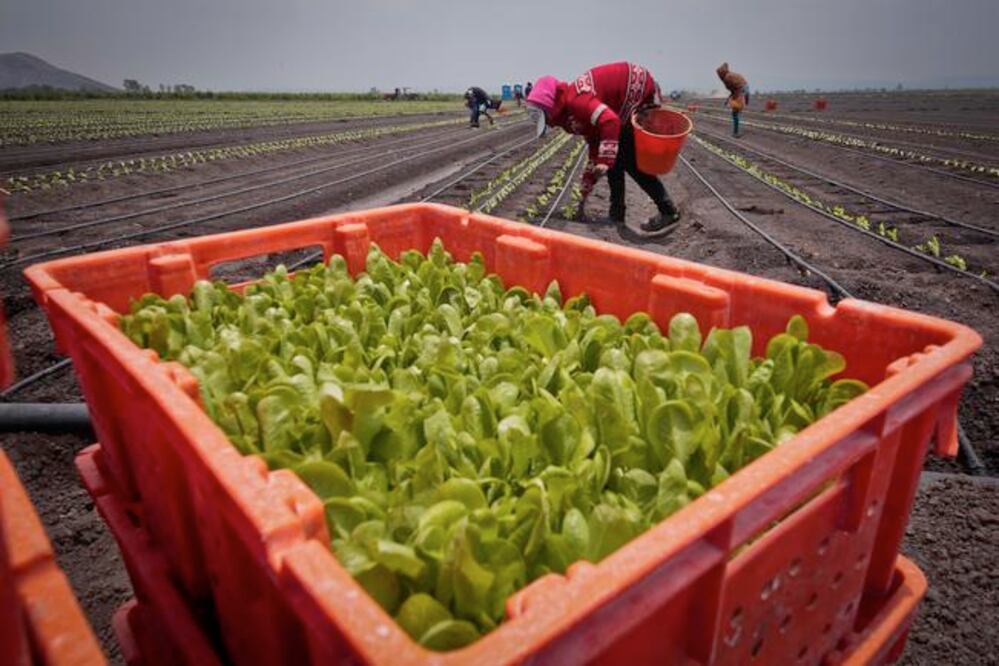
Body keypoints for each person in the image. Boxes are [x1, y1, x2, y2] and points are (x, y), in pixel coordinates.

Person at [525, 62, 680, 233]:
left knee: (628, 160)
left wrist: (605, 159)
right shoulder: (570, 116)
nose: (550, 125)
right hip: (621, 105)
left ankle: (667, 211)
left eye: (546, 119)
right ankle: (617, 214)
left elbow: (610, 121)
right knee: (616, 159)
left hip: (638, 90)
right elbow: (595, 142)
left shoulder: (576, 101)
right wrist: (588, 182)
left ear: (551, 108)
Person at [717, 62, 749, 137]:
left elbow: (736, 89)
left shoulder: (727, 78)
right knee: (737, 113)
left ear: (722, 73)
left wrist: (734, 99)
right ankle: (736, 131)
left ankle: (736, 133)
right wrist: (729, 99)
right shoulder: (731, 75)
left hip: (741, 91)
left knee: (735, 113)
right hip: (745, 89)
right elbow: (735, 89)